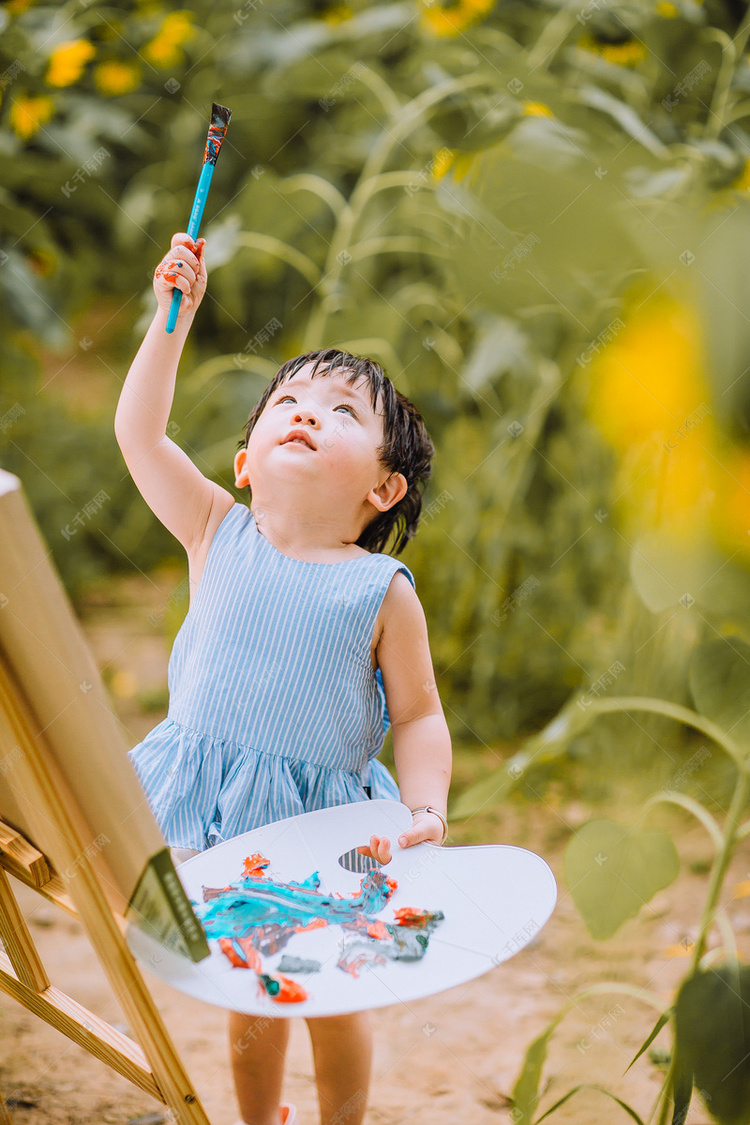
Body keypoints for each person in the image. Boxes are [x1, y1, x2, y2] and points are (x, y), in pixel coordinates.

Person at [114, 232, 452, 1125]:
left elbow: (417, 715)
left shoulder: (379, 590)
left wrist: (427, 807)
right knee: (252, 989)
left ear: (383, 489)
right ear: (244, 461)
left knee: (335, 996)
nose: (308, 411)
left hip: (327, 824)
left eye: (344, 412)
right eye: (290, 400)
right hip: (208, 807)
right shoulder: (214, 528)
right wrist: (171, 321)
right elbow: (139, 432)